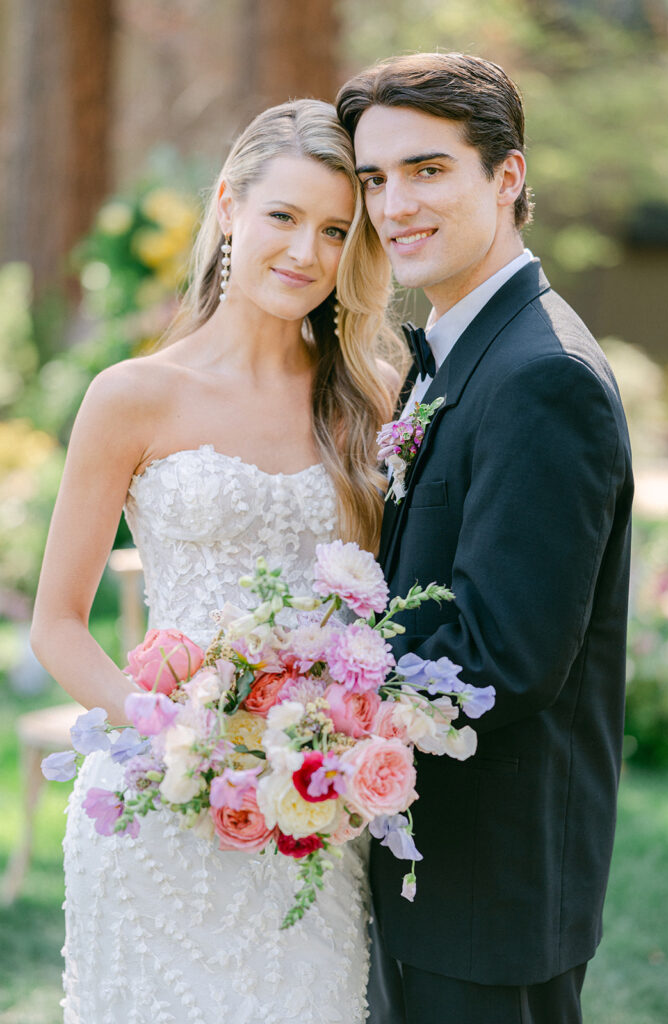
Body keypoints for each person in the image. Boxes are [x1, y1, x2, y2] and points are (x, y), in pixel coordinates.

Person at [31, 98, 403, 1023]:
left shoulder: (371, 400)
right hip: (159, 807)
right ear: (231, 207)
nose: (306, 254)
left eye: (334, 230)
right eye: (284, 216)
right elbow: (57, 625)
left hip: (309, 814)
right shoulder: (134, 396)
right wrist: (175, 737)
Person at [336, 53, 634, 1024]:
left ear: (506, 178)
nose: (393, 206)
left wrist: (306, 707)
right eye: (374, 179)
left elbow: (502, 657)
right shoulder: (465, 350)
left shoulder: (540, 374)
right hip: (432, 872)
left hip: (487, 891)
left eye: (427, 170)